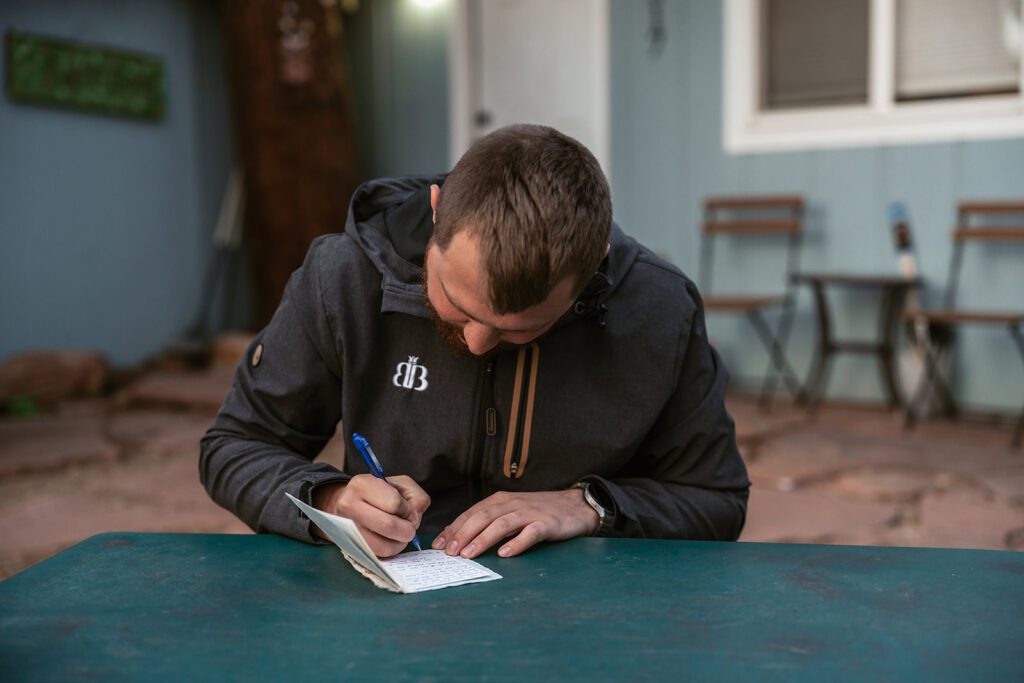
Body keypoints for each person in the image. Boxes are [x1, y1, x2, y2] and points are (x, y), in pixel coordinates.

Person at [200, 124, 749, 560]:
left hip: (585, 613)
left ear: (593, 271)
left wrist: (592, 505)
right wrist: (331, 499)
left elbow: (715, 500)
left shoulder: (659, 311)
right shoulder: (344, 278)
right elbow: (234, 446)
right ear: (437, 209)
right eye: (456, 304)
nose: (479, 343)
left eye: (521, 328)